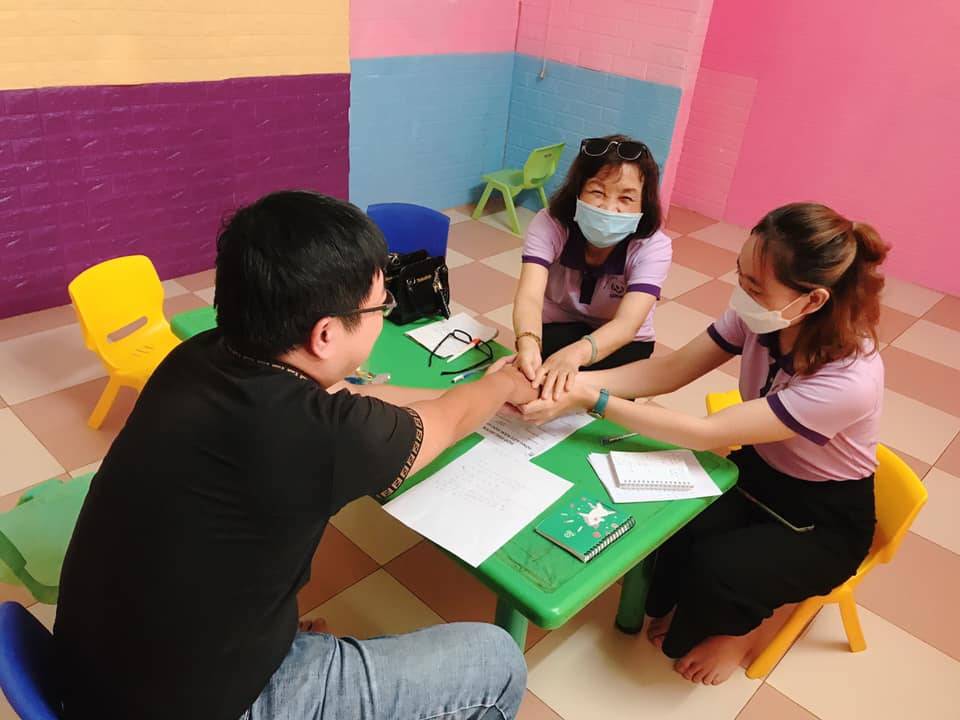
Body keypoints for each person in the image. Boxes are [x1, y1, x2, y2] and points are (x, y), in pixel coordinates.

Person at [54, 191, 535, 720]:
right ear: (325, 334)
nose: (383, 316)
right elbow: (446, 423)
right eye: (381, 307)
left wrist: (453, 394)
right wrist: (503, 384)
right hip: (203, 704)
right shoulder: (322, 433)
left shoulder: (199, 355)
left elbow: (347, 400)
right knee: (497, 662)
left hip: (91, 677)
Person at [521, 202, 888, 685]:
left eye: (755, 286)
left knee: (720, 569)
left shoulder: (851, 378)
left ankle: (744, 634)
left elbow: (709, 433)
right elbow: (671, 370)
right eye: (741, 275)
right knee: (670, 525)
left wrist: (592, 398)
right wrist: (572, 380)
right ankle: (705, 606)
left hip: (821, 518)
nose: (742, 293)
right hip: (758, 470)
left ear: (812, 300)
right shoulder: (764, 317)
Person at [512, 134, 672, 401]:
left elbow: (627, 324)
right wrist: (528, 341)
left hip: (621, 342)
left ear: (644, 203)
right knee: (536, 391)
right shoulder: (549, 224)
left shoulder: (654, 246)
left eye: (626, 198)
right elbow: (529, 296)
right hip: (559, 325)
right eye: (597, 192)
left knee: (598, 405)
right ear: (578, 190)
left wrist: (574, 355)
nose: (609, 208)